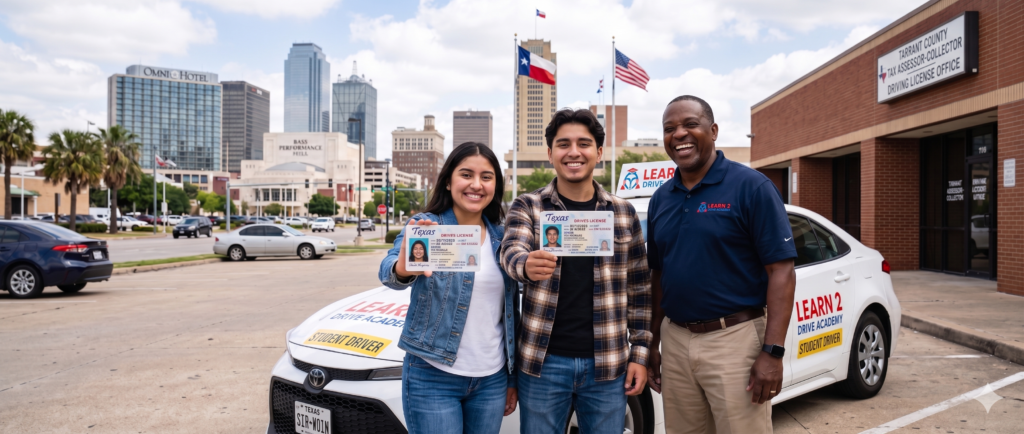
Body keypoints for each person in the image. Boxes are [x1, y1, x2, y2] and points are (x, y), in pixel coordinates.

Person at [645, 96, 797, 434]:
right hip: (676, 339)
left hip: (735, 339)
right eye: (670, 129)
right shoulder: (661, 198)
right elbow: (659, 273)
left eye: (690, 125)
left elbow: (782, 272)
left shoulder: (751, 187)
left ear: (712, 131)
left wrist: (772, 353)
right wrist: (652, 341)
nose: (679, 134)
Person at [500, 108, 651, 434]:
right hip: (543, 363)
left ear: (598, 152)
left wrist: (640, 354)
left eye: (583, 143)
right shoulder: (528, 206)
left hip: (608, 364)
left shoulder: (622, 212)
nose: (573, 152)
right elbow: (510, 252)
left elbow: (640, 291)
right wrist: (525, 265)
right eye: (563, 143)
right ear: (550, 152)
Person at [379, 142, 520, 434]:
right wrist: (403, 268)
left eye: (486, 177)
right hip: (433, 376)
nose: (476, 185)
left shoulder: (502, 237)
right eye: (466, 175)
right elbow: (388, 272)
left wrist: (510, 379)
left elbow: (509, 314)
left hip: (491, 379)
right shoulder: (426, 226)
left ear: (496, 184)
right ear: (448, 180)